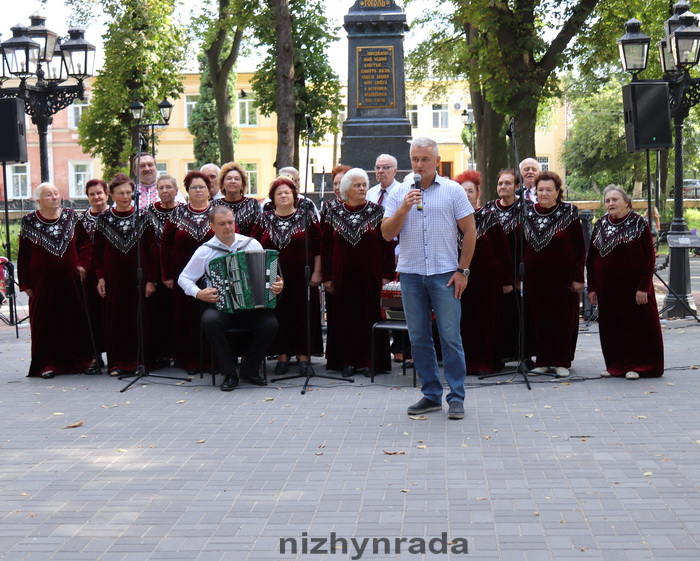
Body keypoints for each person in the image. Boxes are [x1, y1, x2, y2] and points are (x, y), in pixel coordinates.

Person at [382, 137, 476, 420]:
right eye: (415, 159)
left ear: (436, 161)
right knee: (419, 337)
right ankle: (431, 394)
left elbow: (470, 231)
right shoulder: (400, 193)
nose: (419, 165)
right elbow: (387, 233)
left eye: (425, 159)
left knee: (450, 337)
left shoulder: (452, 191)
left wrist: (463, 271)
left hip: (445, 275)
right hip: (411, 275)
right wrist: (404, 208)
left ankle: (456, 396)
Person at [178, 205, 283, 391]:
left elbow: (269, 275)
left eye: (230, 222)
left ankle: (249, 369)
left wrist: (277, 285)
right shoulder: (205, 251)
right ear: (212, 226)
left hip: (252, 307)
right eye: (222, 224)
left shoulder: (250, 244)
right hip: (222, 307)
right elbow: (183, 278)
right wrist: (198, 293)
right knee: (210, 321)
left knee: (270, 324)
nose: (227, 227)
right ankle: (229, 373)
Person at [322, 168, 395, 377]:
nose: (362, 188)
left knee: (369, 316)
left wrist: (386, 276)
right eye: (357, 185)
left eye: (364, 184)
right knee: (344, 316)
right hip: (342, 277)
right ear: (346, 189)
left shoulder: (377, 212)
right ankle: (348, 361)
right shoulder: (333, 213)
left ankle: (371, 360)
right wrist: (327, 277)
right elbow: (326, 247)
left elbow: (387, 245)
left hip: (370, 277)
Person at [18, 183, 95, 378]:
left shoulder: (70, 216)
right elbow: (24, 254)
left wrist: (83, 265)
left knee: (74, 319)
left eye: (56, 193)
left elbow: (86, 243)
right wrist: (25, 283)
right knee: (45, 322)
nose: (54, 197)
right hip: (42, 282)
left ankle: (80, 362)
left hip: (71, 280)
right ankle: (47, 365)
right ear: (38, 201)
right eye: (48, 195)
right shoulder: (29, 221)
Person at [587, 185, 664, 379]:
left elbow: (649, 258)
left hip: (634, 288)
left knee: (635, 326)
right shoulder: (601, 223)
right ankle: (616, 365)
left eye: (615, 200)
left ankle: (637, 366)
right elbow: (591, 258)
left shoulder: (639, 223)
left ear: (626, 202)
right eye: (607, 201)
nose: (610, 203)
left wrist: (643, 287)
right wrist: (593, 287)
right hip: (607, 289)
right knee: (611, 326)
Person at [251, 177, 323, 377]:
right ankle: (282, 356)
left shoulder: (306, 216)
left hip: (304, 274)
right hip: (273, 275)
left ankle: (304, 357)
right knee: (278, 314)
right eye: (278, 193)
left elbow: (318, 247)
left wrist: (317, 272)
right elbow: (254, 246)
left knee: (304, 314)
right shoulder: (264, 218)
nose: (283, 196)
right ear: (272, 198)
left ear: (294, 196)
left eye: (287, 192)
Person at [522, 171, 585, 378]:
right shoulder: (528, 212)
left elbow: (579, 246)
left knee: (561, 319)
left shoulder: (569, 212)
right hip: (535, 279)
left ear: (558, 192)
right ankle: (542, 360)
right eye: (540, 190)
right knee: (538, 318)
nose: (544, 193)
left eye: (549, 190)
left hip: (563, 279)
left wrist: (578, 277)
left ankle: (561, 361)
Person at [94, 173, 157, 376]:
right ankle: (117, 363)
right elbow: (98, 251)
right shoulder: (104, 218)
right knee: (116, 320)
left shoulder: (144, 217)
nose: (125, 196)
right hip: (114, 279)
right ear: (111, 194)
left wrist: (150, 280)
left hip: (137, 278)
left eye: (129, 192)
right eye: (121, 193)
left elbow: (151, 250)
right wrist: (101, 277)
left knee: (138, 319)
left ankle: (140, 361)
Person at [455, 170, 512, 375]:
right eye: (463, 192)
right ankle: (467, 364)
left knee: (486, 321)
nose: (467, 195)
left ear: (478, 193)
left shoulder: (489, 217)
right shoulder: (452, 219)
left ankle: (487, 363)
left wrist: (506, 280)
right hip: (462, 279)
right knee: (465, 321)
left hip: (488, 281)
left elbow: (503, 250)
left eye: (471, 191)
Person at [161, 171, 215, 374]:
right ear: (187, 191)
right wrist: (166, 275)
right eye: (194, 187)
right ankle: (190, 360)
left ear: (209, 191)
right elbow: (165, 245)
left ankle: (212, 359)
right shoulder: (178, 214)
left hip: (213, 274)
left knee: (212, 316)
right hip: (183, 276)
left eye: (202, 187)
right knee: (185, 317)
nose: (198, 190)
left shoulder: (218, 212)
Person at [77, 179, 110, 366]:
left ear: (106, 194)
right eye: (92, 194)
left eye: (99, 193)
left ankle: (117, 354)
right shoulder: (81, 220)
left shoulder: (116, 215)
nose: (96, 197)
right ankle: (95, 355)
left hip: (112, 272)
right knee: (92, 315)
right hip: (90, 275)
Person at [213, 161, 260, 236]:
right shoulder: (214, 205)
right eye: (229, 178)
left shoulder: (253, 204)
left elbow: (257, 231)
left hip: (248, 246)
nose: (233, 181)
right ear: (222, 184)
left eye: (237, 179)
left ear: (243, 185)